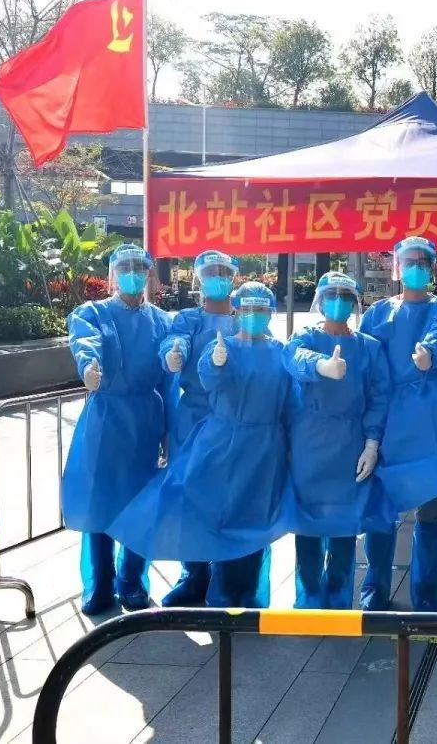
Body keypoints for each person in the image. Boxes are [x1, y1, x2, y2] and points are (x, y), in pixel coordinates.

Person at [108, 282, 292, 608]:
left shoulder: (280, 351)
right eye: (247, 309)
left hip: (265, 448)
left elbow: (290, 398)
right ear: (237, 311)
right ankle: (204, 585)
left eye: (261, 309)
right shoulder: (222, 346)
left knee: (255, 519)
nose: (253, 315)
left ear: (270, 313)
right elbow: (207, 372)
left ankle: (247, 596)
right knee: (203, 508)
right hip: (220, 440)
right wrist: (213, 362)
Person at [62, 244, 173, 614]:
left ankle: (133, 580)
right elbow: (85, 339)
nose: (132, 274)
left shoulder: (162, 321)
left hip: (145, 420)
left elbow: (168, 380)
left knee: (141, 502)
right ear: (112, 274)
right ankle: (100, 584)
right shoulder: (94, 312)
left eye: (139, 268)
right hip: (106, 418)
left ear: (149, 275)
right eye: (125, 268)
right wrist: (88, 365)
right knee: (100, 501)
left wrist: (169, 431)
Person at [357, 237, 437, 611]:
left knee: (429, 509)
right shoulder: (378, 313)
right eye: (409, 261)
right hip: (387, 417)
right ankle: (375, 587)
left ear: (432, 269)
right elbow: (365, 361)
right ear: (397, 267)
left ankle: (426, 591)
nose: (416, 268)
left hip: (429, 417)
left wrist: (429, 352)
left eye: (423, 262)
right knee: (381, 506)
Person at [283, 272, 390, 609]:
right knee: (308, 524)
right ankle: (309, 599)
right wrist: (320, 365)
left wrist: (372, 443)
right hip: (309, 442)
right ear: (320, 301)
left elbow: (379, 396)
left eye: (346, 296)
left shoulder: (369, 347)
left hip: (350, 442)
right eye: (332, 295)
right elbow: (293, 357)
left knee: (345, 523)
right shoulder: (306, 337)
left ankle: (339, 599)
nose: (339, 302)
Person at [156, 249, 240, 607]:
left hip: (233, 420)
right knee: (189, 496)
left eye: (223, 272)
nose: (217, 279)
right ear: (199, 280)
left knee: (229, 497)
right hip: (192, 419)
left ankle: (228, 578)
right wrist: (172, 353)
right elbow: (176, 339)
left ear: (233, 278)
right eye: (210, 273)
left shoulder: (247, 319)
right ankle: (193, 575)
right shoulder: (189, 319)